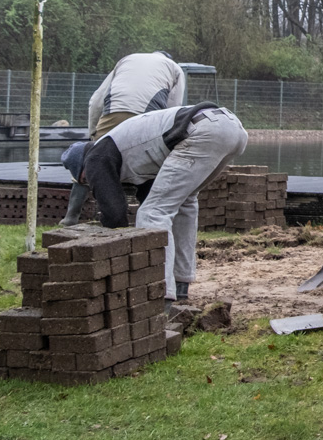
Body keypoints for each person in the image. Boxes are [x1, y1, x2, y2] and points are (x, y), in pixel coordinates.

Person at [60, 103, 248, 304]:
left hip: (202, 130)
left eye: (86, 181)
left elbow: (115, 215)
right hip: (230, 127)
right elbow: (148, 193)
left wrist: (115, 254)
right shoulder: (124, 151)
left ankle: (160, 292)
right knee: (184, 202)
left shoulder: (96, 157)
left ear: (82, 169)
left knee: (153, 213)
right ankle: (181, 284)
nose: (90, 184)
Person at [61, 51, 187, 225]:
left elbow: (96, 101)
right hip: (146, 118)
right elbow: (173, 108)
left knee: (93, 160)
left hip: (114, 111)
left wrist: (93, 139)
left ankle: (71, 217)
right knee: (150, 167)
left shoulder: (127, 59)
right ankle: (150, 221)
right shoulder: (175, 69)